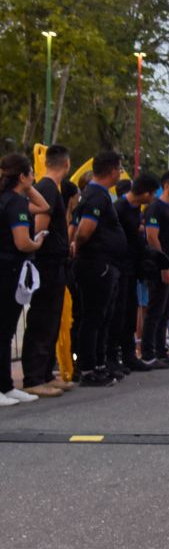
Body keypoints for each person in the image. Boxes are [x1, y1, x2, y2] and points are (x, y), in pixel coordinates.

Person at [21, 144, 72, 397]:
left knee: (52, 318)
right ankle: (33, 376)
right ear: (67, 164)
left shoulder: (51, 188)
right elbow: (41, 224)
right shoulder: (48, 188)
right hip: (47, 264)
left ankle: (44, 373)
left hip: (55, 263)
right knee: (42, 319)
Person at [72, 151, 127, 387]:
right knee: (93, 317)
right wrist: (78, 244)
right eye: (120, 168)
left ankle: (99, 364)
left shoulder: (101, 195)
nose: (121, 173)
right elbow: (84, 230)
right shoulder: (95, 196)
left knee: (102, 317)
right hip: (96, 264)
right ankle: (87, 367)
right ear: (112, 170)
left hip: (105, 263)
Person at [0, 154, 49, 407]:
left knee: (6, 331)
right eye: (31, 174)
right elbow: (22, 241)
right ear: (22, 176)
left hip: (8, 270)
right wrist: (37, 242)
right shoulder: (16, 203)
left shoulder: (8, 199)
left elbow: (43, 207)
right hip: (9, 269)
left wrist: (26, 186)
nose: (35, 179)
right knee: (4, 330)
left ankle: (6, 386)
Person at [112, 172, 161, 372]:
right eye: (152, 194)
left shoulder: (135, 210)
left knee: (130, 313)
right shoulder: (119, 208)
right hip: (119, 267)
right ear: (146, 193)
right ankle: (112, 357)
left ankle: (129, 354)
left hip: (132, 268)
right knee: (118, 314)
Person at [142, 170, 169, 369]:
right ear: (166, 185)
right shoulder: (155, 208)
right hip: (158, 268)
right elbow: (152, 237)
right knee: (155, 311)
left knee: (165, 311)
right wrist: (163, 265)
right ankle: (148, 353)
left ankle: (161, 351)